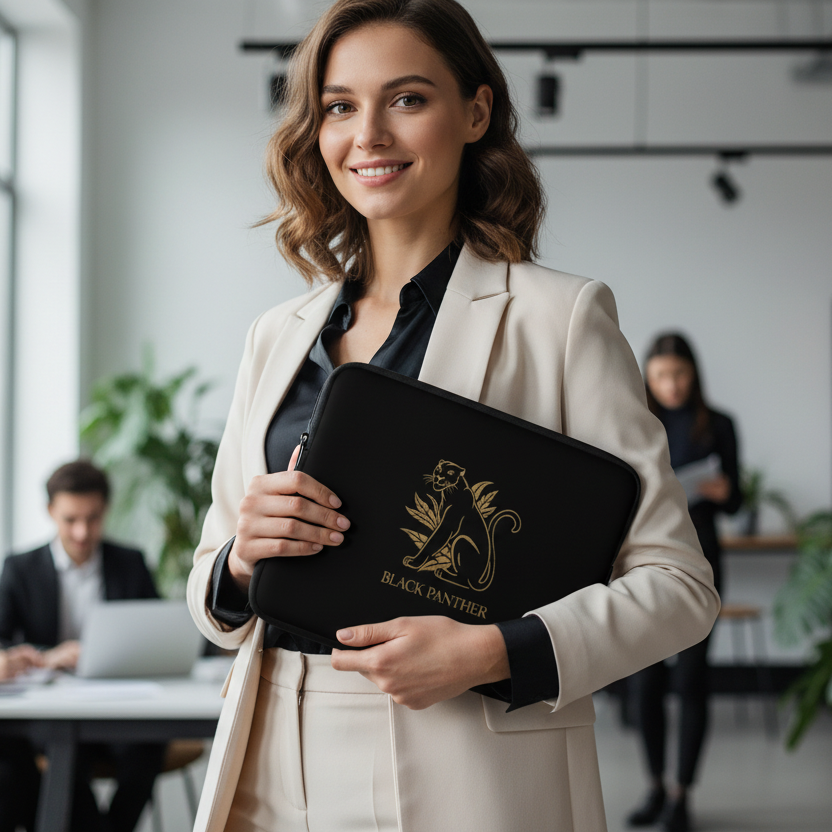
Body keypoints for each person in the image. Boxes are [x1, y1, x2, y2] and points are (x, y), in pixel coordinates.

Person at [186, 2, 720, 830]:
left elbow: (678, 587)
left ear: (474, 111)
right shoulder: (276, 335)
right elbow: (214, 574)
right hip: (268, 752)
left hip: (462, 760)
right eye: (339, 106)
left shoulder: (562, 317)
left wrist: (494, 651)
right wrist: (241, 565)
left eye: (406, 99)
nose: (368, 134)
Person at [0, 459, 165, 832]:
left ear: (105, 510)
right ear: (50, 512)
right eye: (70, 519)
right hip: (55, 713)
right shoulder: (20, 568)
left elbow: (156, 631)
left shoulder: (130, 563)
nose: (81, 531)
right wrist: (46, 658)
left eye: (92, 518)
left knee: (147, 750)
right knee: (64, 760)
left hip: (119, 707)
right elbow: (2, 640)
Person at [627, 333, 741, 832]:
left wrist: (723, 491)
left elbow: (735, 501)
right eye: (661, 376)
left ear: (692, 374)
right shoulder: (636, 424)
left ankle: (682, 794)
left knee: (692, 679)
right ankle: (654, 785)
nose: (671, 385)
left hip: (705, 561)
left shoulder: (718, 425)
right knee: (646, 680)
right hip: (647, 562)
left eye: (679, 374)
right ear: (647, 378)